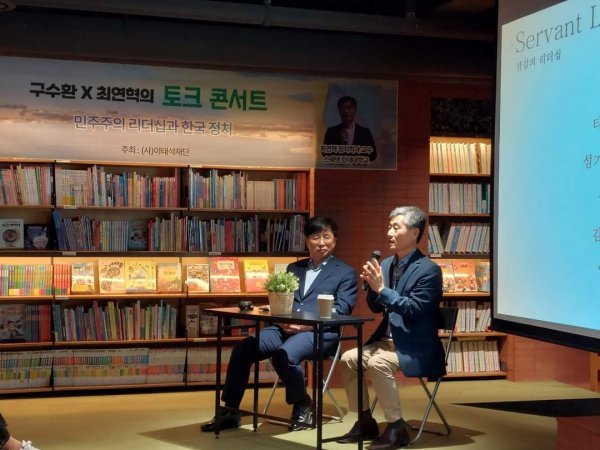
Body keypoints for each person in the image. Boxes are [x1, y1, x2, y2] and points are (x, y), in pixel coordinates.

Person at [201, 216, 358, 433]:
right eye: (315, 237)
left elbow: (342, 310)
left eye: (326, 237)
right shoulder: (294, 268)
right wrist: (280, 317)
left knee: (284, 355)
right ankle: (230, 411)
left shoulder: (345, 272)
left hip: (320, 333)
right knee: (242, 349)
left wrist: (305, 325)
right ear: (307, 241)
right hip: (284, 328)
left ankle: (302, 403)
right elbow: (280, 299)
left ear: (335, 240)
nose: (321, 242)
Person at [337, 206, 444, 450]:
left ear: (415, 232)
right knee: (349, 358)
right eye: (389, 227)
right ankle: (365, 421)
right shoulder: (385, 264)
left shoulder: (429, 270)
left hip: (416, 346)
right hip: (386, 343)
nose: (389, 233)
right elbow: (376, 308)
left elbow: (414, 308)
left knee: (378, 363)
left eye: (396, 227)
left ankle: (397, 427)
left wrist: (381, 289)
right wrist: (371, 288)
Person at [323, 95, 377, 161]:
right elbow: (325, 154)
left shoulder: (365, 132)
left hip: (358, 167)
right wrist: (341, 144)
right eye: (342, 108)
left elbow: (373, 155)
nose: (346, 111)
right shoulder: (331, 132)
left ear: (355, 110)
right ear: (339, 111)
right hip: (338, 167)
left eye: (349, 108)